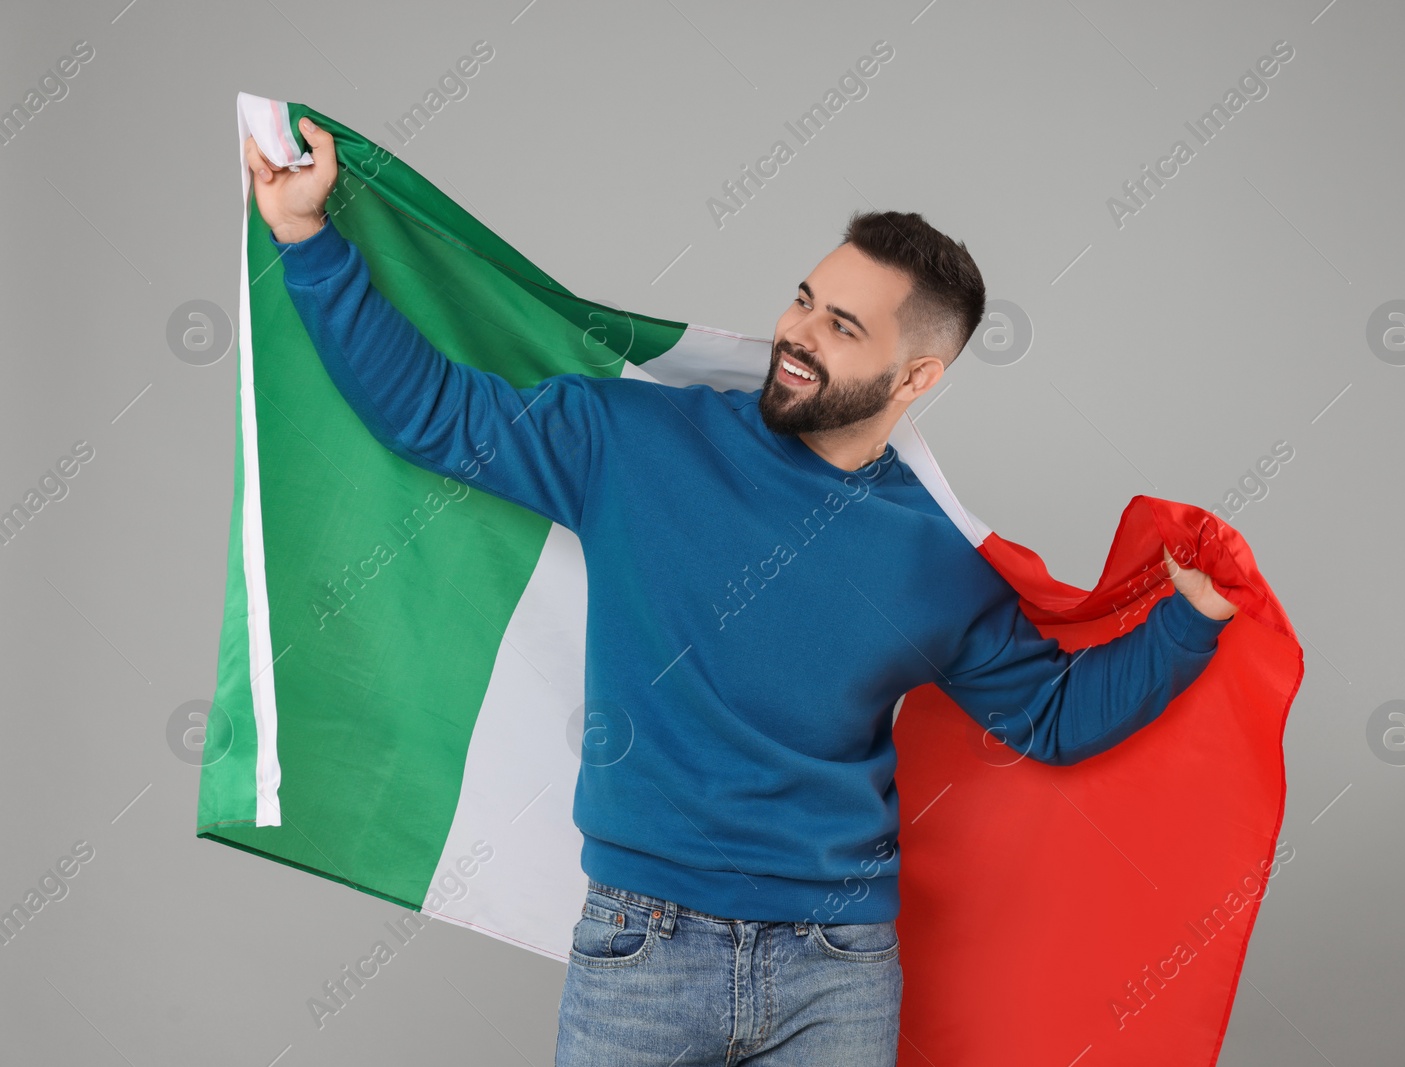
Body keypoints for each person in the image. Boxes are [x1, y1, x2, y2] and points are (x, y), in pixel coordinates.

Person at [246, 116, 1237, 1066]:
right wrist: (305, 234)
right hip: (640, 944)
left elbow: (1051, 716)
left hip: (837, 970)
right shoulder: (632, 440)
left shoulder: (935, 560)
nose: (794, 333)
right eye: (803, 298)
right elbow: (432, 416)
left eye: (840, 325)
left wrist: (1189, 621)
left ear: (916, 373)